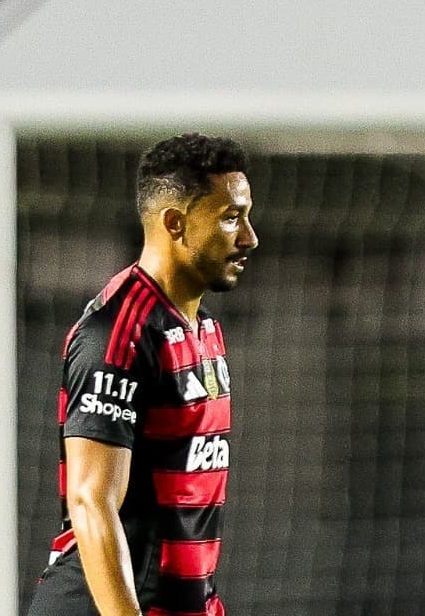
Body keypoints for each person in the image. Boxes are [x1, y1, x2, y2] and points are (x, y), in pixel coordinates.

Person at [26, 133, 258, 616]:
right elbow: (91, 499)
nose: (249, 237)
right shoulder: (119, 334)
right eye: (231, 217)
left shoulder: (205, 327)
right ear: (175, 223)